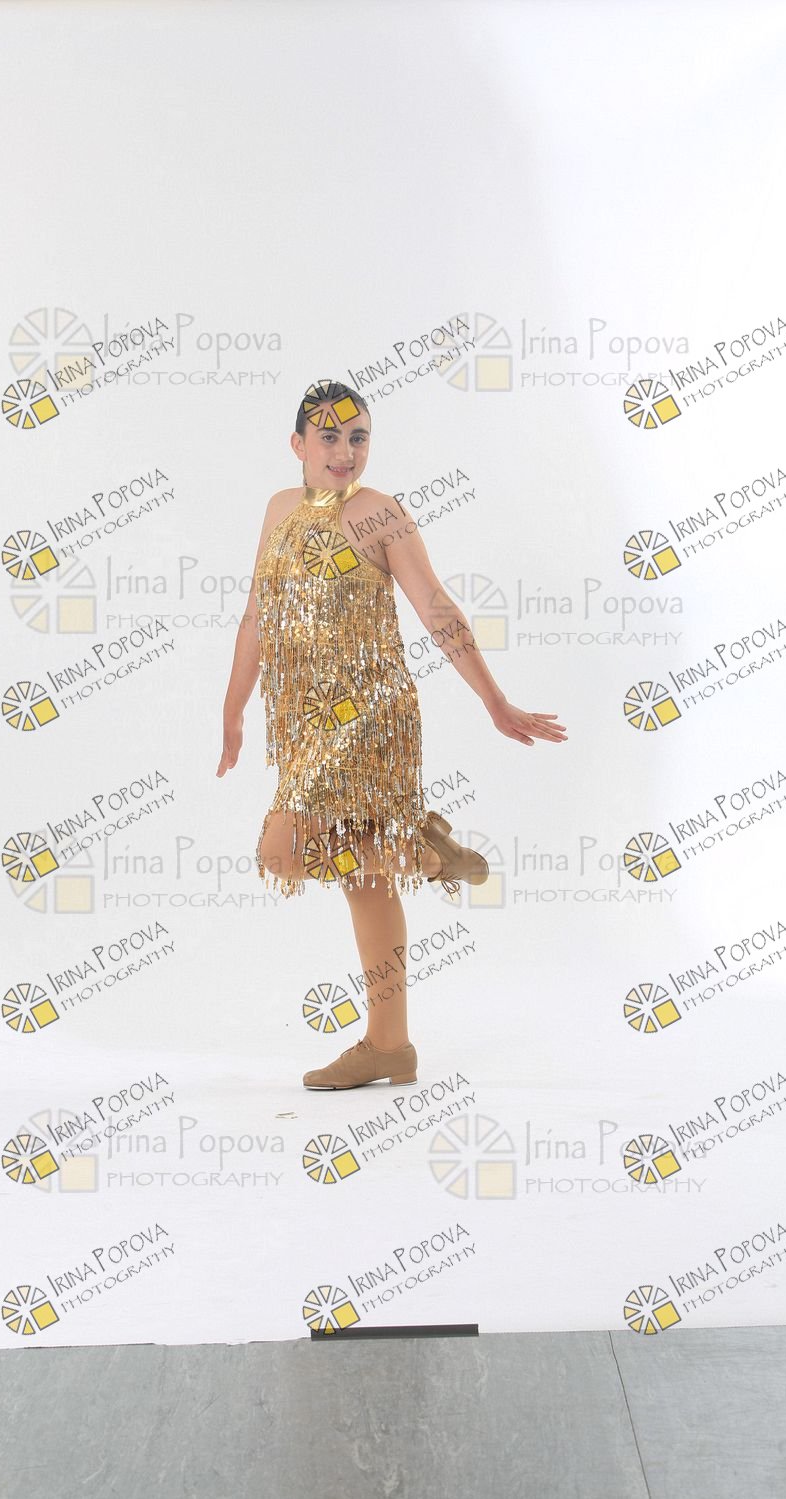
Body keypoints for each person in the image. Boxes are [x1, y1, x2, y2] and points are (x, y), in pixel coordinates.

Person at [217, 379, 567, 1090]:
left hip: (369, 713)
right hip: (306, 717)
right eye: (329, 437)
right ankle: (390, 1044)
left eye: (358, 438)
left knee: (281, 851)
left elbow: (437, 609)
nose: (345, 452)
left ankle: (426, 855)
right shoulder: (278, 509)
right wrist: (234, 709)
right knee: (363, 876)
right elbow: (257, 612)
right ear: (297, 444)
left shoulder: (382, 515)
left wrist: (494, 700)